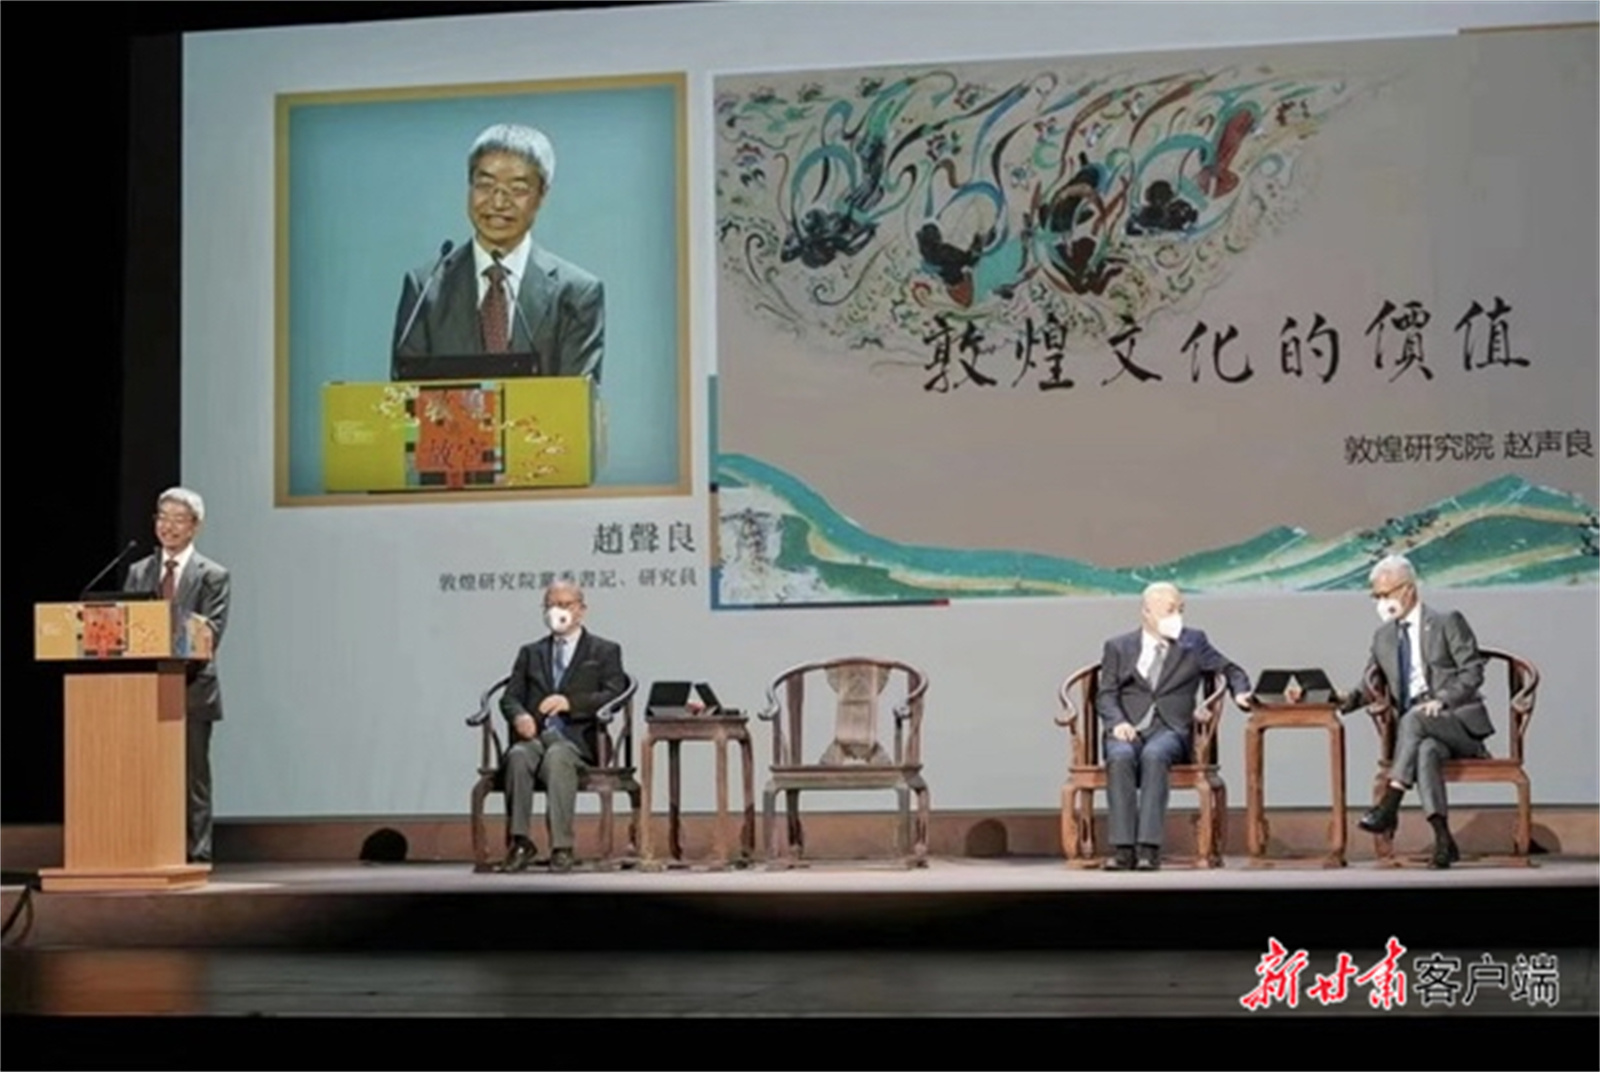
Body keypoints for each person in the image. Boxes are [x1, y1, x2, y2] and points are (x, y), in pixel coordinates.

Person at [391, 122, 605, 382]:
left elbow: (576, 400)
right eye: (485, 185)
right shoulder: (426, 289)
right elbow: (404, 396)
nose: (498, 202)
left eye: (517, 189)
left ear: (542, 195)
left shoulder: (575, 294)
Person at [1340, 554, 1492, 869]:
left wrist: (1443, 700)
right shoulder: (1383, 637)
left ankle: (1390, 803)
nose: (1382, 603)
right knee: (1426, 751)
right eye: (1376, 596)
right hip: (1420, 734)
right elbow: (1370, 686)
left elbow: (1472, 671)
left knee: (1415, 717)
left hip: (1457, 725)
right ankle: (1443, 841)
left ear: (1408, 589)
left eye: (1386, 594)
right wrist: (1337, 699)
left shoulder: (1447, 621)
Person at [1095, 582, 1253, 870]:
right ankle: (1123, 849)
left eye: (1180, 610)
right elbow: (1106, 694)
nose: (1176, 616)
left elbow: (1231, 670)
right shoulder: (1118, 646)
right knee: (1120, 756)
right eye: (1169, 611)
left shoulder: (1193, 642)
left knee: (1155, 755)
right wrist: (1117, 722)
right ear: (1146, 612)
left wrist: (1241, 692)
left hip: (1170, 728)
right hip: (1128, 727)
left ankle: (1148, 848)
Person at [123, 487, 230, 864]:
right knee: (145, 773)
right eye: (162, 518)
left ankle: (197, 854)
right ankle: (147, 847)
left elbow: (211, 632)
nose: (167, 526)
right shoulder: (138, 571)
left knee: (192, 778)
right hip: (143, 688)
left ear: (195, 526)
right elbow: (125, 626)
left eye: (178, 519)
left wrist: (169, 634)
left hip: (192, 688)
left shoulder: (213, 575)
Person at [497, 582, 627, 872]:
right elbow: (510, 698)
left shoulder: (604, 650)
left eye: (565, 604)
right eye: (551, 605)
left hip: (578, 741)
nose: (557, 611)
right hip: (536, 738)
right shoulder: (530, 652)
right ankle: (520, 841)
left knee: (557, 757)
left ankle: (562, 846)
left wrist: (570, 703)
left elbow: (614, 695)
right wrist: (520, 716)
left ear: (581, 610)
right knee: (517, 756)